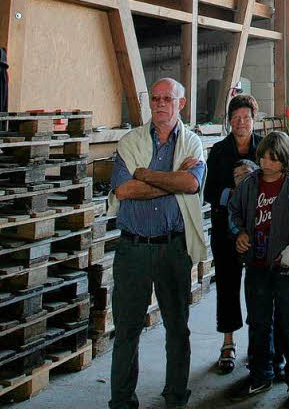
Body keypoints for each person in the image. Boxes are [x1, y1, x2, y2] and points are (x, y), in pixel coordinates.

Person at [107, 78, 207, 409]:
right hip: (132, 249)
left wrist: (144, 175)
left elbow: (191, 184)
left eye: (168, 98)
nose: (160, 103)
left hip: (172, 249)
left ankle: (176, 396)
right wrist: (172, 180)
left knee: (178, 328)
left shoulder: (193, 144)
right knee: (126, 330)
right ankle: (122, 401)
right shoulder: (130, 142)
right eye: (155, 98)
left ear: (181, 104)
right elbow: (124, 191)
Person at [228, 132, 289, 406]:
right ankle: (261, 374)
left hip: (286, 266)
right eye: (263, 157)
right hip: (256, 265)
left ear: (284, 160)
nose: (266, 163)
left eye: (273, 159)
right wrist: (239, 233)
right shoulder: (249, 185)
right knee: (258, 322)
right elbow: (234, 212)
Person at [203, 93, 262, 374]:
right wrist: (234, 194)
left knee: (258, 287)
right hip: (226, 229)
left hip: (259, 230)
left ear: (254, 120)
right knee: (227, 286)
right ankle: (228, 343)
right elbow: (209, 192)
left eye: (246, 118)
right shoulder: (218, 151)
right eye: (236, 118)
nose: (241, 123)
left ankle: (258, 344)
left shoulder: (264, 148)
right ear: (229, 122)